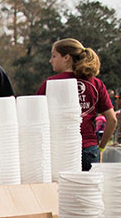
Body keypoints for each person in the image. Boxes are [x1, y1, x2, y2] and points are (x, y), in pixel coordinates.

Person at [36, 38, 116, 171]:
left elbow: (36, 117)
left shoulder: (50, 84)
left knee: (62, 190)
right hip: (89, 149)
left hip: (60, 150)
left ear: (66, 57)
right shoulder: (96, 84)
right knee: (89, 190)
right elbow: (112, 120)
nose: (51, 60)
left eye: (54, 56)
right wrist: (100, 147)